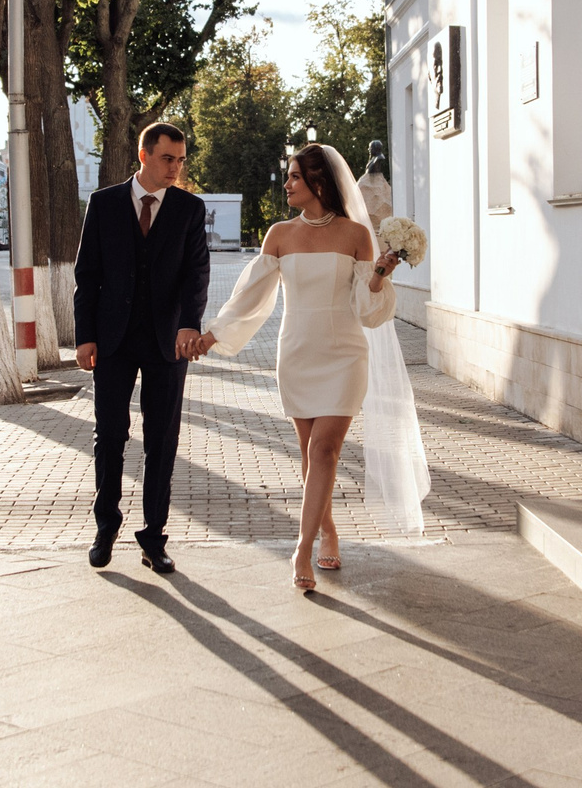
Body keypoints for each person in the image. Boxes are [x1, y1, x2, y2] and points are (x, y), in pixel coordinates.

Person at [198, 142, 427, 593]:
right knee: (308, 455)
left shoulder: (357, 235)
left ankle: (301, 547)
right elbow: (251, 296)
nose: (287, 185)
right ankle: (327, 529)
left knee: (325, 451)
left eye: (295, 177)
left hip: (344, 354)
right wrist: (214, 334)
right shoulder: (279, 234)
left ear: (318, 182)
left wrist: (379, 273)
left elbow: (368, 311)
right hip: (298, 352)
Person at [72, 121, 212, 575]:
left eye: (181, 160)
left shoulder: (190, 209)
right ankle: (105, 528)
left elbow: (196, 275)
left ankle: (154, 537)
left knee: (162, 441)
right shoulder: (104, 204)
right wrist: (85, 335)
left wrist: (190, 325)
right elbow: (86, 275)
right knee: (109, 437)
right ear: (144, 156)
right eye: (168, 158)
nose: (176, 167)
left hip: (167, 342)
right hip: (112, 341)